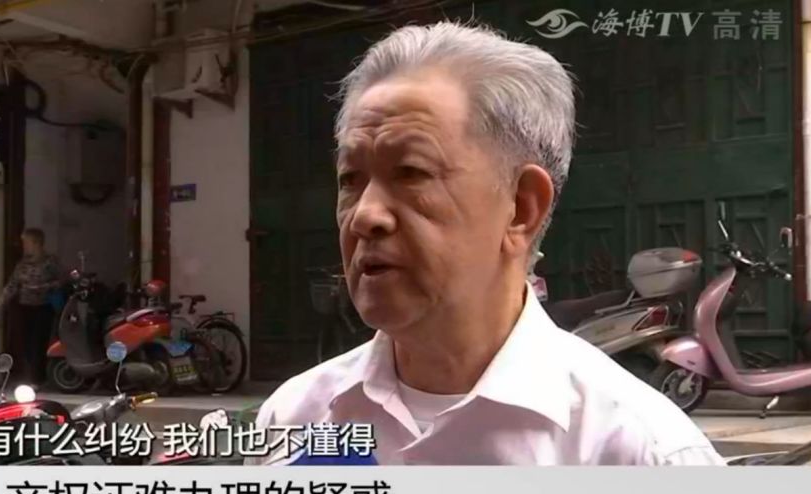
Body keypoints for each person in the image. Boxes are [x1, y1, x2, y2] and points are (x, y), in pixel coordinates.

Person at [251, 22, 725, 465]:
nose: (365, 216)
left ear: (521, 208)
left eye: (411, 173)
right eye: (350, 180)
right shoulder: (294, 419)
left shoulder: (642, 454)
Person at [0, 228, 63, 385]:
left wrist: (42, 287)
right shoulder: (22, 264)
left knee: (39, 342)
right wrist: (0, 302)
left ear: (36, 243)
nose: (24, 246)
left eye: (26, 242)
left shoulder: (50, 262)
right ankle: (29, 376)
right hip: (25, 307)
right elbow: (13, 284)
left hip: (43, 307)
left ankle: (38, 378)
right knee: (26, 343)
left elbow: (61, 281)